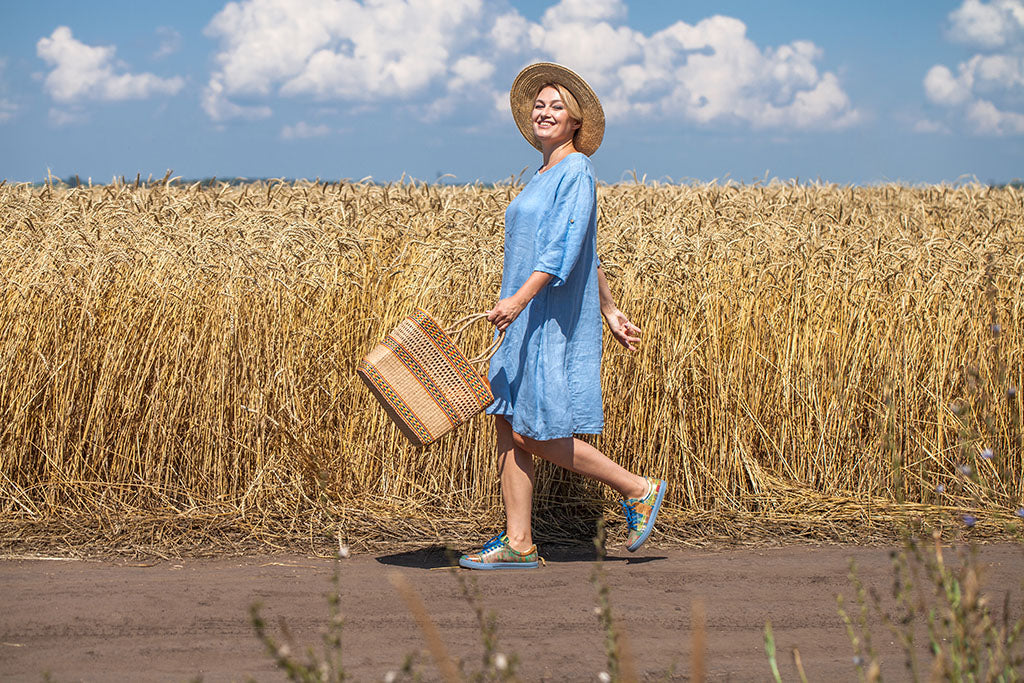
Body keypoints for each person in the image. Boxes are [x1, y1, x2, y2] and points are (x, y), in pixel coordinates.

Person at [459, 63, 667, 570]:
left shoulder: (576, 171)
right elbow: (588, 253)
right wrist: (610, 306)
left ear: (575, 123)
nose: (545, 112)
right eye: (540, 104)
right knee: (508, 425)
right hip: (523, 315)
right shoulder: (544, 174)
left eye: (558, 107)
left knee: (533, 430)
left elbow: (564, 248)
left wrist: (519, 299)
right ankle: (519, 542)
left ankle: (637, 488)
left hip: (543, 316)